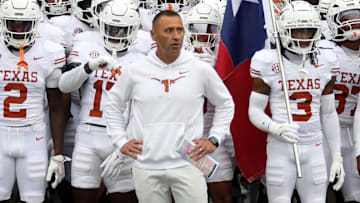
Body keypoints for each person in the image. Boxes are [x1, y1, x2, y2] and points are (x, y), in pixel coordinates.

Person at [104, 9, 234, 203]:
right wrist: (120, 141)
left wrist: (214, 138)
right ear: (153, 35)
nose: (176, 36)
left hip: (188, 164)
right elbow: (113, 105)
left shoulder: (199, 69)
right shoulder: (136, 70)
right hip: (146, 166)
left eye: (180, 30)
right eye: (169, 31)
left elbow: (226, 103)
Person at [248, 1, 344, 203]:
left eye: (308, 31)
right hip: (281, 147)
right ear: (283, 31)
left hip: (315, 146)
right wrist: (275, 127)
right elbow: (254, 111)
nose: (303, 37)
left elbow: (328, 113)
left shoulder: (326, 61)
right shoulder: (268, 61)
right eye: (297, 31)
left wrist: (336, 155)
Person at [58, 1, 142, 203]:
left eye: (122, 30)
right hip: (88, 135)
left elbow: (143, 111)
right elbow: (64, 85)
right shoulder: (88, 47)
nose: (116, 34)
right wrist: (87, 67)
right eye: (112, 28)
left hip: (121, 137)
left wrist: (124, 145)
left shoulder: (141, 60)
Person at [0, 0, 66, 202]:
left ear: (35, 24)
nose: (19, 30)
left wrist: (58, 154)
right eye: (13, 24)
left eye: (24, 24)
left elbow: (56, 107)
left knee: (34, 198)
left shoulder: (49, 52)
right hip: (1, 131)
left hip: (34, 135)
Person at [184, 3, 234, 203]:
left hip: (213, 136)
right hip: (183, 137)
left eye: (209, 28)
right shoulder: (177, 56)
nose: (203, 34)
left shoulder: (224, 56)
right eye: (197, 28)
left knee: (222, 196)